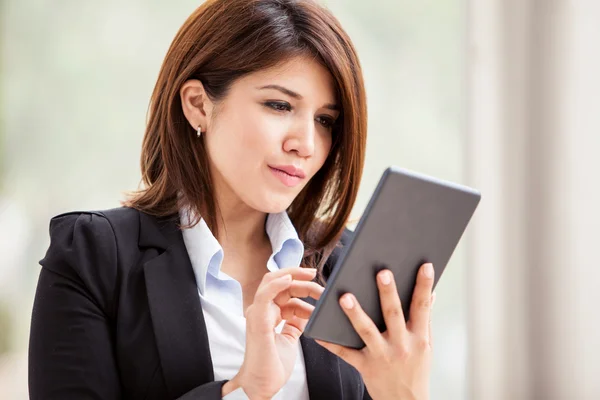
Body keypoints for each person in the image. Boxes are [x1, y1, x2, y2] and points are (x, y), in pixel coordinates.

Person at [28, 0, 436, 398]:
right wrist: (243, 391)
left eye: (325, 120)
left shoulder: (348, 265)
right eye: (279, 105)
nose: (307, 144)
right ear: (198, 105)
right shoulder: (94, 256)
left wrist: (404, 394)